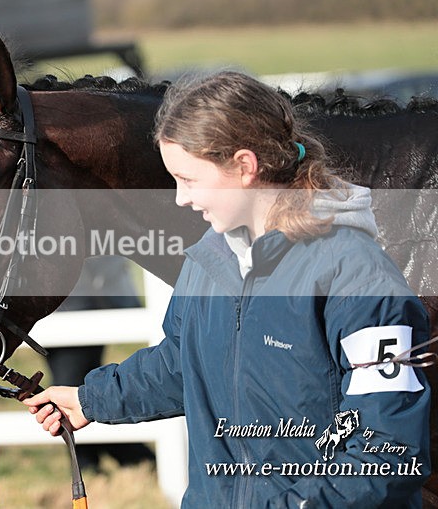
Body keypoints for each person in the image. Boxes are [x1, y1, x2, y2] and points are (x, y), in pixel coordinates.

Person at [24, 71, 431, 507]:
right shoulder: (208, 261)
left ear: (245, 166)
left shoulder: (357, 275)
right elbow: (183, 363)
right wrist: (90, 400)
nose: (181, 199)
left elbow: (389, 450)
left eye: (189, 179)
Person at [46, 256, 155, 472]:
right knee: (75, 387)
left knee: (75, 389)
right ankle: (113, 461)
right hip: (62, 308)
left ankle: (118, 460)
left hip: (80, 308)